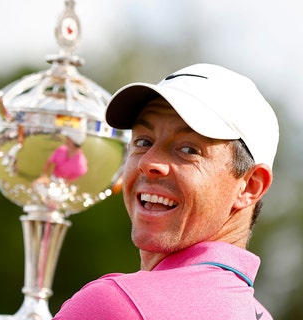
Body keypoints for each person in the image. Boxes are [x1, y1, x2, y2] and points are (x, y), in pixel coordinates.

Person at [53, 63, 279, 320]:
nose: (148, 162)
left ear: (250, 186)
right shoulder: (260, 315)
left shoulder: (114, 304)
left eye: (189, 149)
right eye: (143, 141)